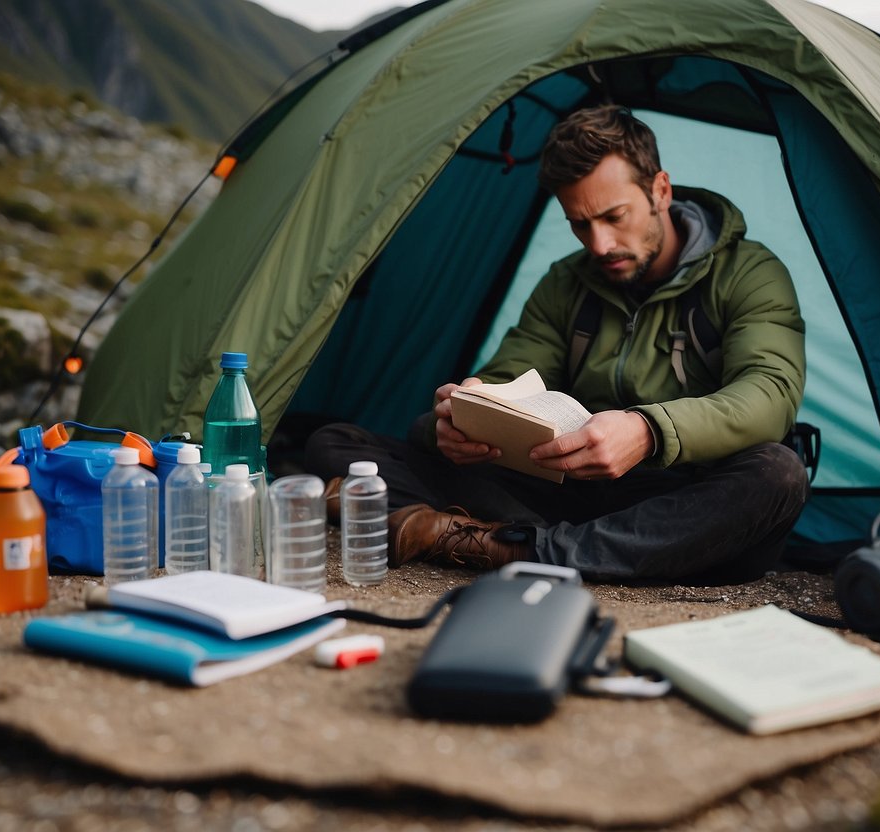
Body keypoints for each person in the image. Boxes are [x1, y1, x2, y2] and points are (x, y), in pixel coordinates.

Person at [306, 105, 808, 584]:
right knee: (350, 441)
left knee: (778, 475)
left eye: (614, 217)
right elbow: (516, 374)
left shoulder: (749, 273)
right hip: (574, 481)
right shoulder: (567, 281)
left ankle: (509, 545)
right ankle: (524, 541)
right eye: (579, 223)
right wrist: (470, 410)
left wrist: (649, 430)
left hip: (681, 492)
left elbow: (771, 394)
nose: (599, 244)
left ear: (660, 190)